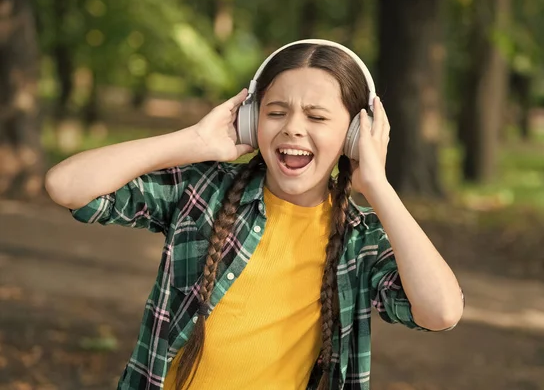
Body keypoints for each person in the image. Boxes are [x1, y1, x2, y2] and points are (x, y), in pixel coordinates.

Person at [45, 39, 464, 390]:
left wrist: (378, 187)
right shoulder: (203, 192)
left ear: (355, 135)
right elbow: (68, 187)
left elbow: (441, 311)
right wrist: (193, 141)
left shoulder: (359, 238)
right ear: (251, 120)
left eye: (317, 116)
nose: (293, 128)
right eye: (276, 111)